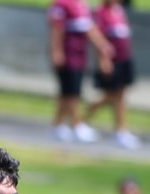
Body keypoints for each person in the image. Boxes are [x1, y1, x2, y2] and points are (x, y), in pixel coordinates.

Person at [48, 0, 113, 143]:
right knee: (72, 92)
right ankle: (77, 125)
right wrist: (56, 51)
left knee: (68, 92)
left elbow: (90, 28)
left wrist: (102, 46)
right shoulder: (61, 5)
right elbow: (56, 29)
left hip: (79, 56)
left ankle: (57, 124)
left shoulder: (81, 5)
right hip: (68, 55)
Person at [84, 0, 138, 149]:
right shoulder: (101, 13)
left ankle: (121, 130)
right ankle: (83, 117)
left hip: (124, 58)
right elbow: (97, 36)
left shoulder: (119, 11)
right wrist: (104, 59)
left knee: (120, 95)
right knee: (111, 96)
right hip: (112, 60)